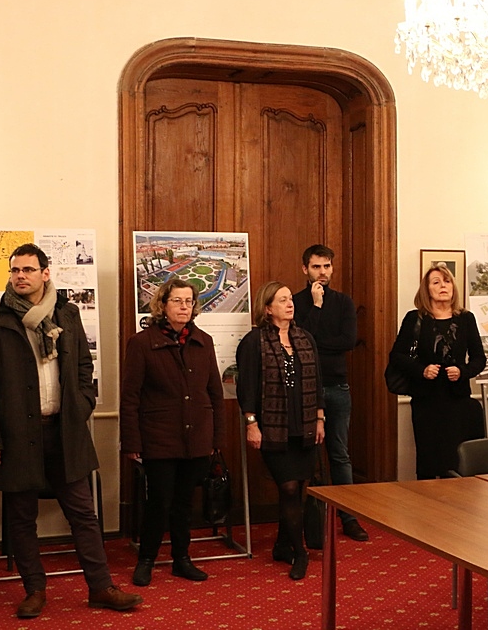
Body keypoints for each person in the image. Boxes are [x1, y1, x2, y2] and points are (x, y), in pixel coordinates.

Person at [0, 244, 142, 618]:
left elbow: (84, 365)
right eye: (15, 270)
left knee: (83, 513)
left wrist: (82, 404)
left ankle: (101, 587)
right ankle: (34, 590)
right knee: (21, 518)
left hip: (64, 431)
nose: (20, 276)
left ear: (45, 273)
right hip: (17, 436)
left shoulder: (67, 313)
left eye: (28, 269)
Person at [120, 278, 226, 586]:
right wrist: (132, 442)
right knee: (159, 502)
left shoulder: (204, 341)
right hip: (159, 437)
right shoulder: (142, 343)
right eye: (177, 301)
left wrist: (217, 438)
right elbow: (130, 397)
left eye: (188, 301)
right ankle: (147, 559)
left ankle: (182, 559)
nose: (184, 306)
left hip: (197, 437)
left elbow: (215, 393)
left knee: (184, 504)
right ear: (163, 305)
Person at [236, 281, 325, 580]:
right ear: (267, 308)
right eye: (282, 300)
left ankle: (281, 545)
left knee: (299, 489)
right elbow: (246, 387)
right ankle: (300, 552)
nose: (290, 304)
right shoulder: (254, 341)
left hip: (305, 425)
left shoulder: (305, 338)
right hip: (273, 427)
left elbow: (318, 380)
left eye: (290, 299)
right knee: (287, 487)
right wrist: (251, 424)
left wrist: (320, 418)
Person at [292, 244, 368, 542]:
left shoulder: (344, 302)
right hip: (305, 388)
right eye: (316, 267)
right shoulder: (295, 301)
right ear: (305, 269)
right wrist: (316, 306)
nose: (322, 273)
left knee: (339, 453)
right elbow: (300, 341)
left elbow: (347, 341)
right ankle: (307, 520)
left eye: (326, 266)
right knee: (306, 455)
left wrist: (316, 342)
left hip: (337, 386)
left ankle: (348, 517)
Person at [388, 266, 486, 480]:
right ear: (426, 290)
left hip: (457, 399)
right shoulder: (415, 318)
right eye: (436, 282)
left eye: (447, 281)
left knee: (457, 462)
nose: (443, 286)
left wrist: (462, 371)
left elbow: (479, 358)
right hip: (426, 401)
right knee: (429, 462)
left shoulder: (466, 318)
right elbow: (397, 356)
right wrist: (421, 370)